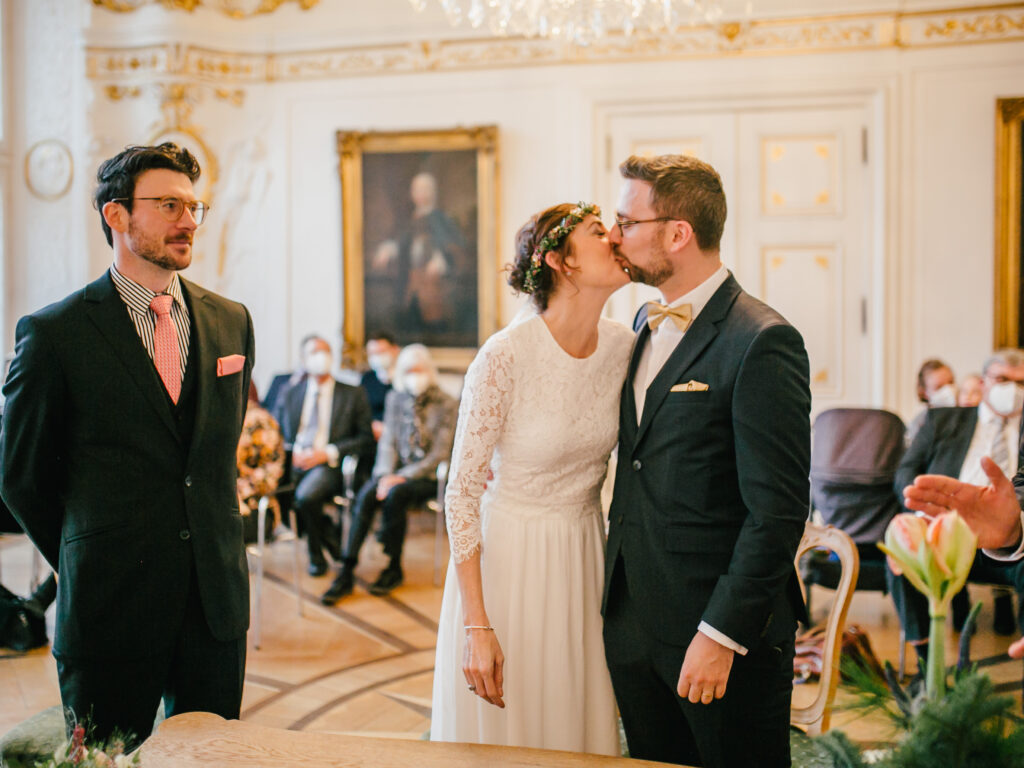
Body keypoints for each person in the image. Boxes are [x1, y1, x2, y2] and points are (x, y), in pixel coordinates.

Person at [0, 142, 254, 747]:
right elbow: (20, 477)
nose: (188, 220)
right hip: (109, 607)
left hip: (213, 606)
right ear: (117, 216)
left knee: (212, 760)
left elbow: (213, 454)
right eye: (169, 205)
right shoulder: (54, 334)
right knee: (107, 761)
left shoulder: (231, 320)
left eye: (194, 206)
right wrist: (84, 552)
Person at [603, 154, 811, 768]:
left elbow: (776, 512)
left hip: (719, 633)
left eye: (626, 220)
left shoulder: (762, 340)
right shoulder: (642, 320)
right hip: (635, 620)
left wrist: (720, 634)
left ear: (676, 233)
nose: (615, 235)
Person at [430, 202, 633, 754]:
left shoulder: (625, 348)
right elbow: (462, 493)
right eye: (599, 232)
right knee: (514, 731)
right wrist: (477, 623)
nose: (617, 237)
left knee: (577, 720)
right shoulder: (504, 356)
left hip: (585, 554)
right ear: (559, 261)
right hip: (511, 562)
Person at [889, 351, 1024, 665]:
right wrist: (924, 505)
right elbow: (905, 471)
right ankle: (925, 663)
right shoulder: (944, 420)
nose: (1013, 389)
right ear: (983, 382)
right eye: (1003, 380)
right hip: (945, 530)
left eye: (1021, 382)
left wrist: (1010, 519)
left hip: (1010, 542)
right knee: (901, 552)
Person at [321, 344, 457, 604]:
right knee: (366, 495)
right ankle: (347, 569)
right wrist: (384, 475)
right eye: (409, 371)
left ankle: (393, 566)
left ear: (430, 371)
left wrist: (401, 477)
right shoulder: (396, 398)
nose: (414, 375)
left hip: (426, 477)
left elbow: (439, 454)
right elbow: (388, 443)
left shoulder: (447, 404)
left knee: (396, 494)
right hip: (392, 474)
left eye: (419, 370)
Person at [273, 335, 374, 576]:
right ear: (304, 359)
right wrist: (293, 452)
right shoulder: (290, 392)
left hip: (328, 464)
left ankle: (316, 556)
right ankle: (327, 530)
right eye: (315, 352)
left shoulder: (352, 393)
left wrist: (326, 453)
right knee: (280, 497)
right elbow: (275, 429)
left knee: (306, 497)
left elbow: (365, 438)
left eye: (326, 351)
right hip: (292, 462)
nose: (321, 357)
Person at [237, 381, 286, 543]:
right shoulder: (221, 418)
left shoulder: (261, 421)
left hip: (255, 508)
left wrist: (234, 490)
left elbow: (270, 474)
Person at [905, 359, 956, 446]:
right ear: (924, 393)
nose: (948, 390)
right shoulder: (920, 424)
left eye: (950, 383)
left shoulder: (964, 416)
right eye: (939, 387)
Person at [360, 331, 400, 442]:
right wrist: (372, 425)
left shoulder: (404, 378)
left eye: (381, 352)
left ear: (395, 349)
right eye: (372, 353)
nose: (377, 357)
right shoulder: (367, 378)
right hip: (372, 435)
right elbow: (362, 410)